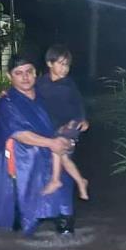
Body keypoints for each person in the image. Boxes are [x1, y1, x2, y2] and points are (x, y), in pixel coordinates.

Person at [0, 55, 72, 235]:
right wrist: (52, 143)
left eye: (29, 72)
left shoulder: (45, 97)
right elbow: (19, 133)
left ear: (36, 73)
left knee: (63, 214)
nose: (25, 77)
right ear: (9, 76)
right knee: (21, 224)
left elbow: (62, 120)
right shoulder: (7, 103)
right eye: (18, 73)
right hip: (21, 167)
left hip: (53, 161)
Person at [35, 44, 90, 232]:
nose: (65, 69)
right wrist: (6, 93)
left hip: (70, 125)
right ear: (49, 63)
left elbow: (78, 102)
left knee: (58, 146)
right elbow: (26, 95)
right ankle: (80, 181)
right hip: (53, 127)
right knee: (64, 157)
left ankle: (56, 180)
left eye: (67, 65)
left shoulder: (69, 84)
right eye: (61, 64)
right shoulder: (40, 84)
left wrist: (83, 119)